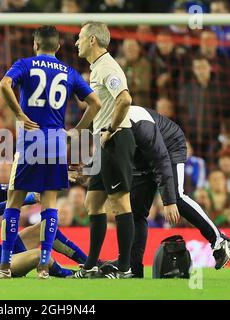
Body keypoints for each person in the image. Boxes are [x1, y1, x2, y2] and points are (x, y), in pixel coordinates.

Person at [0, 26, 101, 279]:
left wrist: (19, 115)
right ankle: (43, 267)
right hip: (57, 142)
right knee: (50, 205)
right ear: (58, 47)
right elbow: (96, 103)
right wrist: (78, 130)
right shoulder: (69, 72)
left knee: (14, 203)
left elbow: (4, 85)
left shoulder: (25, 64)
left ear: (36, 45)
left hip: (31, 140)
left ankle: (4, 268)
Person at [103, 106, 230, 277]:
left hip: (169, 146)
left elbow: (161, 159)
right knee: (135, 212)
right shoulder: (102, 122)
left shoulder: (141, 125)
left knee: (177, 196)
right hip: (142, 158)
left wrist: (169, 201)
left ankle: (219, 240)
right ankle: (132, 267)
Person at [0, 156, 88, 278]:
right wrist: (27, 199)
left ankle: (89, 264)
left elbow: (19, 187)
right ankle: (72, 274)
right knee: (38, 255)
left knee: (43, 228)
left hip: (0, 252)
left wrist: (60, 175)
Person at [72, 21, 136, 279]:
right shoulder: (98, 68)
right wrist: (78, 131)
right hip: (105, 141)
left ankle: (125, 268)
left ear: (92, 41)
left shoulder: (108, 67)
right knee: (93, 202)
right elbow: (98, 106)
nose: (76, 42)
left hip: (117, 139)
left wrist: (110, 128)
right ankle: (91, 265)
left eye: (79, 37)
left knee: (120, 203)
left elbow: (125, 98)